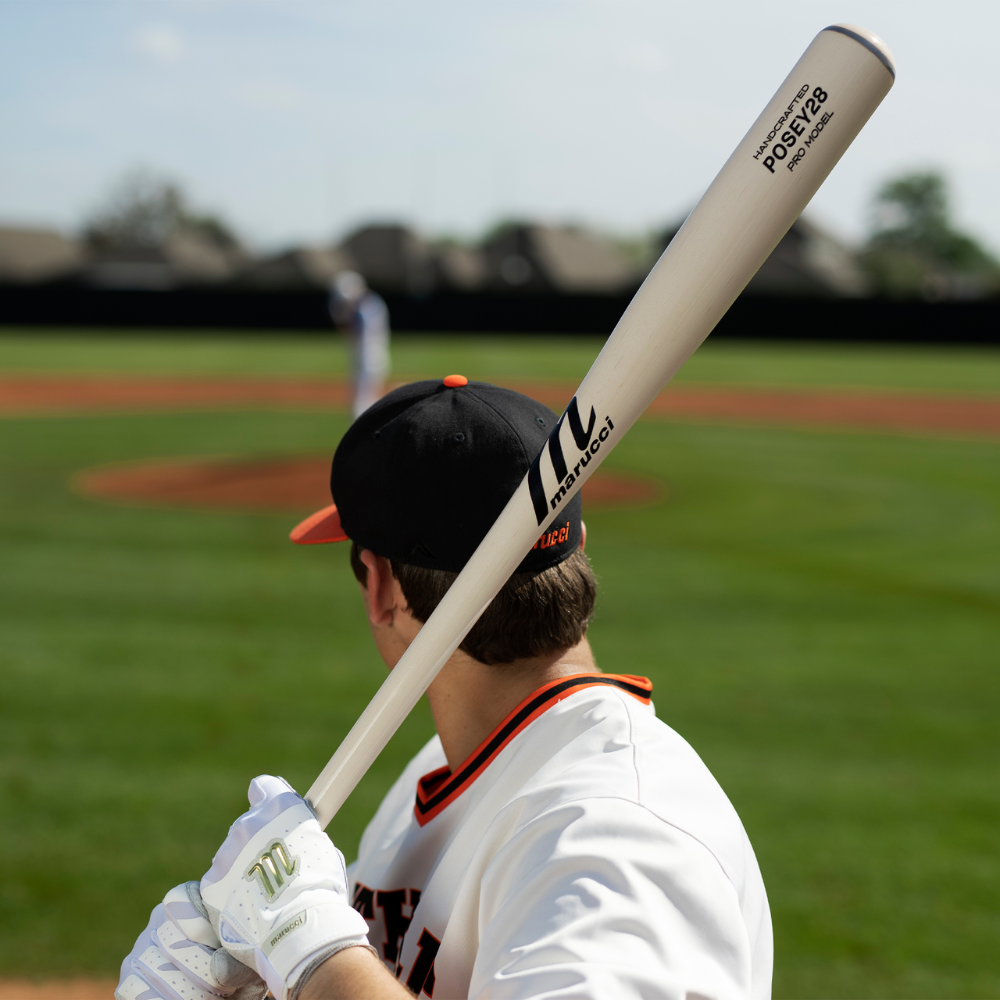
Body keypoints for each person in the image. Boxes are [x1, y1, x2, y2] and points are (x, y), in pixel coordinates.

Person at [117, 377, 773, 1000]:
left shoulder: (613, 832)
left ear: (381, 586)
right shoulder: (445, 769)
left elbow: (325, 964)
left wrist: (313, 953)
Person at [329, 270, 391, 419]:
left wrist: (339, 312)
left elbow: (351, 329)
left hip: (370, 354)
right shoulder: (371, 302)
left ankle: (363, 436)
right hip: (371, 352)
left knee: (362, 401)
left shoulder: (365, 306)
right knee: (364, 397)